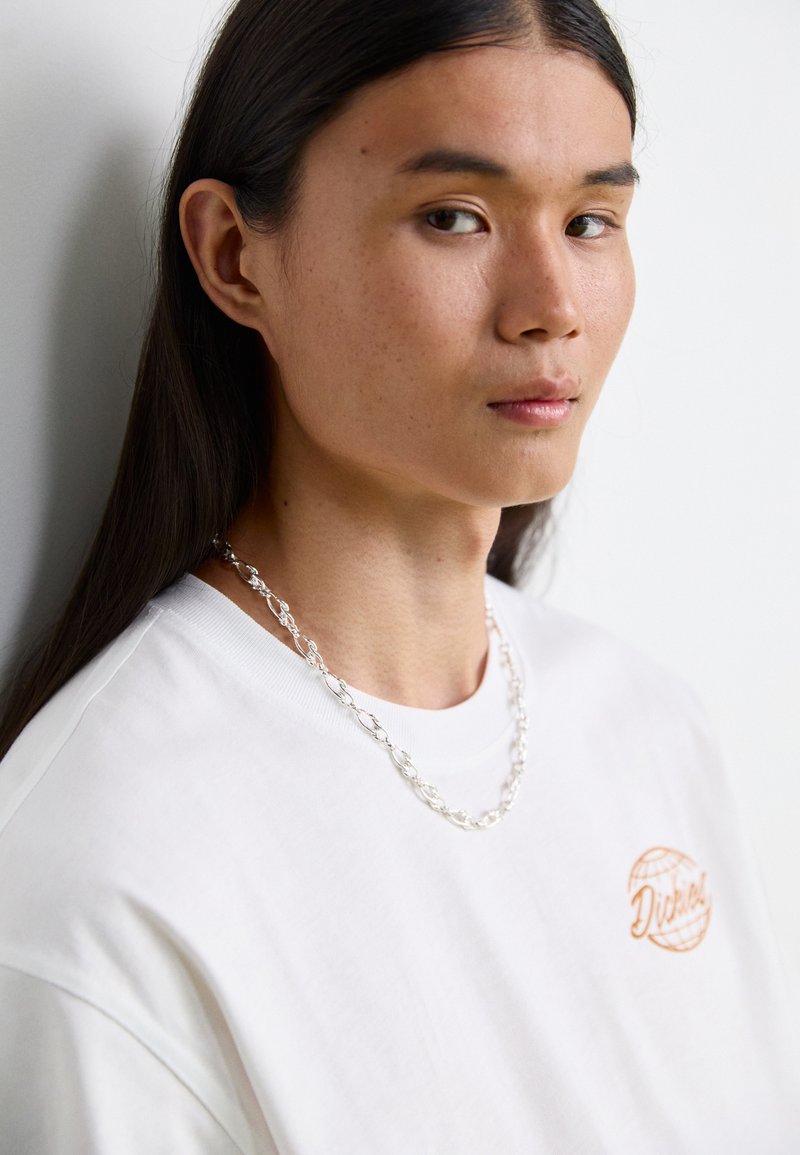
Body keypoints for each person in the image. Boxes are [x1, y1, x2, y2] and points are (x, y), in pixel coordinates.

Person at [0, 0, 798, 1150]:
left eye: (588, 221)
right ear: (233, 256)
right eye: (453, 217)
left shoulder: (649, 732)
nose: (550, 309)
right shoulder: (107, 864)